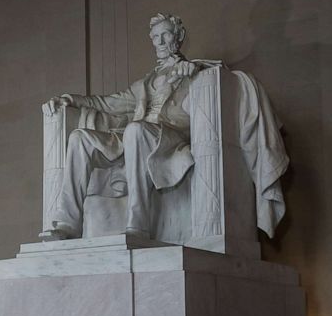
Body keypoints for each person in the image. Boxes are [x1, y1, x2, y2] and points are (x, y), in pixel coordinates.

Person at [42, 13, 213, 239]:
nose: (160, 42)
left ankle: (138, 224)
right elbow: (108, 102)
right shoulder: (144, 83)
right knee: (79, 138)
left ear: (179, 35)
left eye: (165, 34)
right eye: (155, 37)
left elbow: (215, 73)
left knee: (135, 130)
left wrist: (194, 70)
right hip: (136, 137)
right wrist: (71, 100)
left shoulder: (194, 70)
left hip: (170, 137)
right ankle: (68, 223)